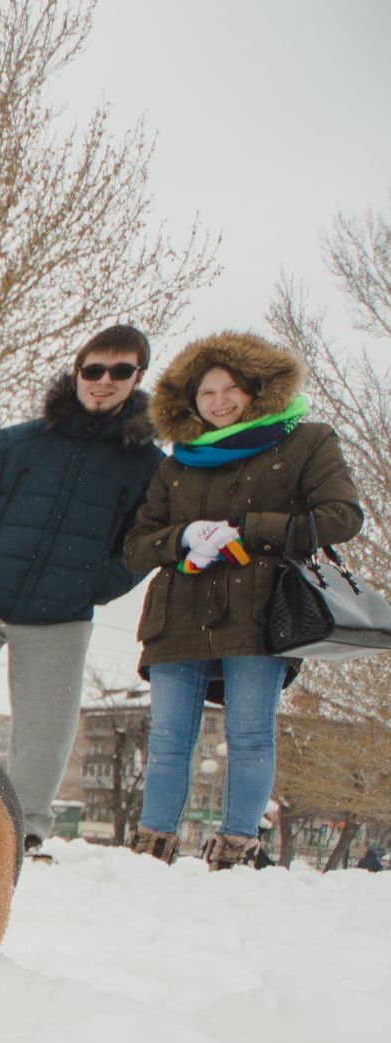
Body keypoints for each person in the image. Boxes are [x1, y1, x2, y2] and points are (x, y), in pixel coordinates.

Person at [0, 324, 166, 850]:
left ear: (137, 378)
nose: (103, 381)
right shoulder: (18, 442)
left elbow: (144, 543)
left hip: (61, 614)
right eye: (93, 369)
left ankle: (22, 833)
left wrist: (94, 585)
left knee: (45, 732)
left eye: (120, 372)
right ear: (77, 372)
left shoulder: (147, 466)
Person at [124, 332, 363, 869]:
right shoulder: (177, 461)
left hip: (257, 613)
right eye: (207, 393)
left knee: (250, 734)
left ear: (257, 390)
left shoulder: (306, 441)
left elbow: (342, 517)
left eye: (231, 388)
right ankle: (148, 850)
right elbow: (138, 546)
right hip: (178, 613)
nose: (220, 401)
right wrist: (184, 538)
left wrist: (248, 530)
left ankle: (235, 847)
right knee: (166, 738)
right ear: (191, 401)